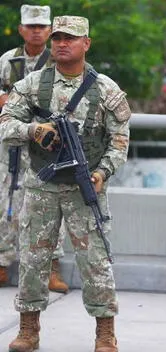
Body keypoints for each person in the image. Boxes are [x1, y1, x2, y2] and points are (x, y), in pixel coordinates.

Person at [0, 15, 131, 351]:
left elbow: (119, 141)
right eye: (57, 38)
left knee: (97, 263)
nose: (61, 44)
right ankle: (28, 329)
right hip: (41, 189)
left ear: (86, 43)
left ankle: (105, 332)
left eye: (70, 38)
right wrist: (33, 130)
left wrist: (101, 174)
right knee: (32, 261)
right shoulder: (32, 84)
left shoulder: (105, 89)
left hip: (84, 189)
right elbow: (5, 124)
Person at [0, 5, 70, 293]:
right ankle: (3, 263)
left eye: (42, 26)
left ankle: (52, 268)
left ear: (50, 30)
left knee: (51, 202)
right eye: (31, 26)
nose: (37, 31)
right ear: (21, 29)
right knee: (6, 199)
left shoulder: (59, 59)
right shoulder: (9, 60)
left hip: (47, 142)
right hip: (13, 140)